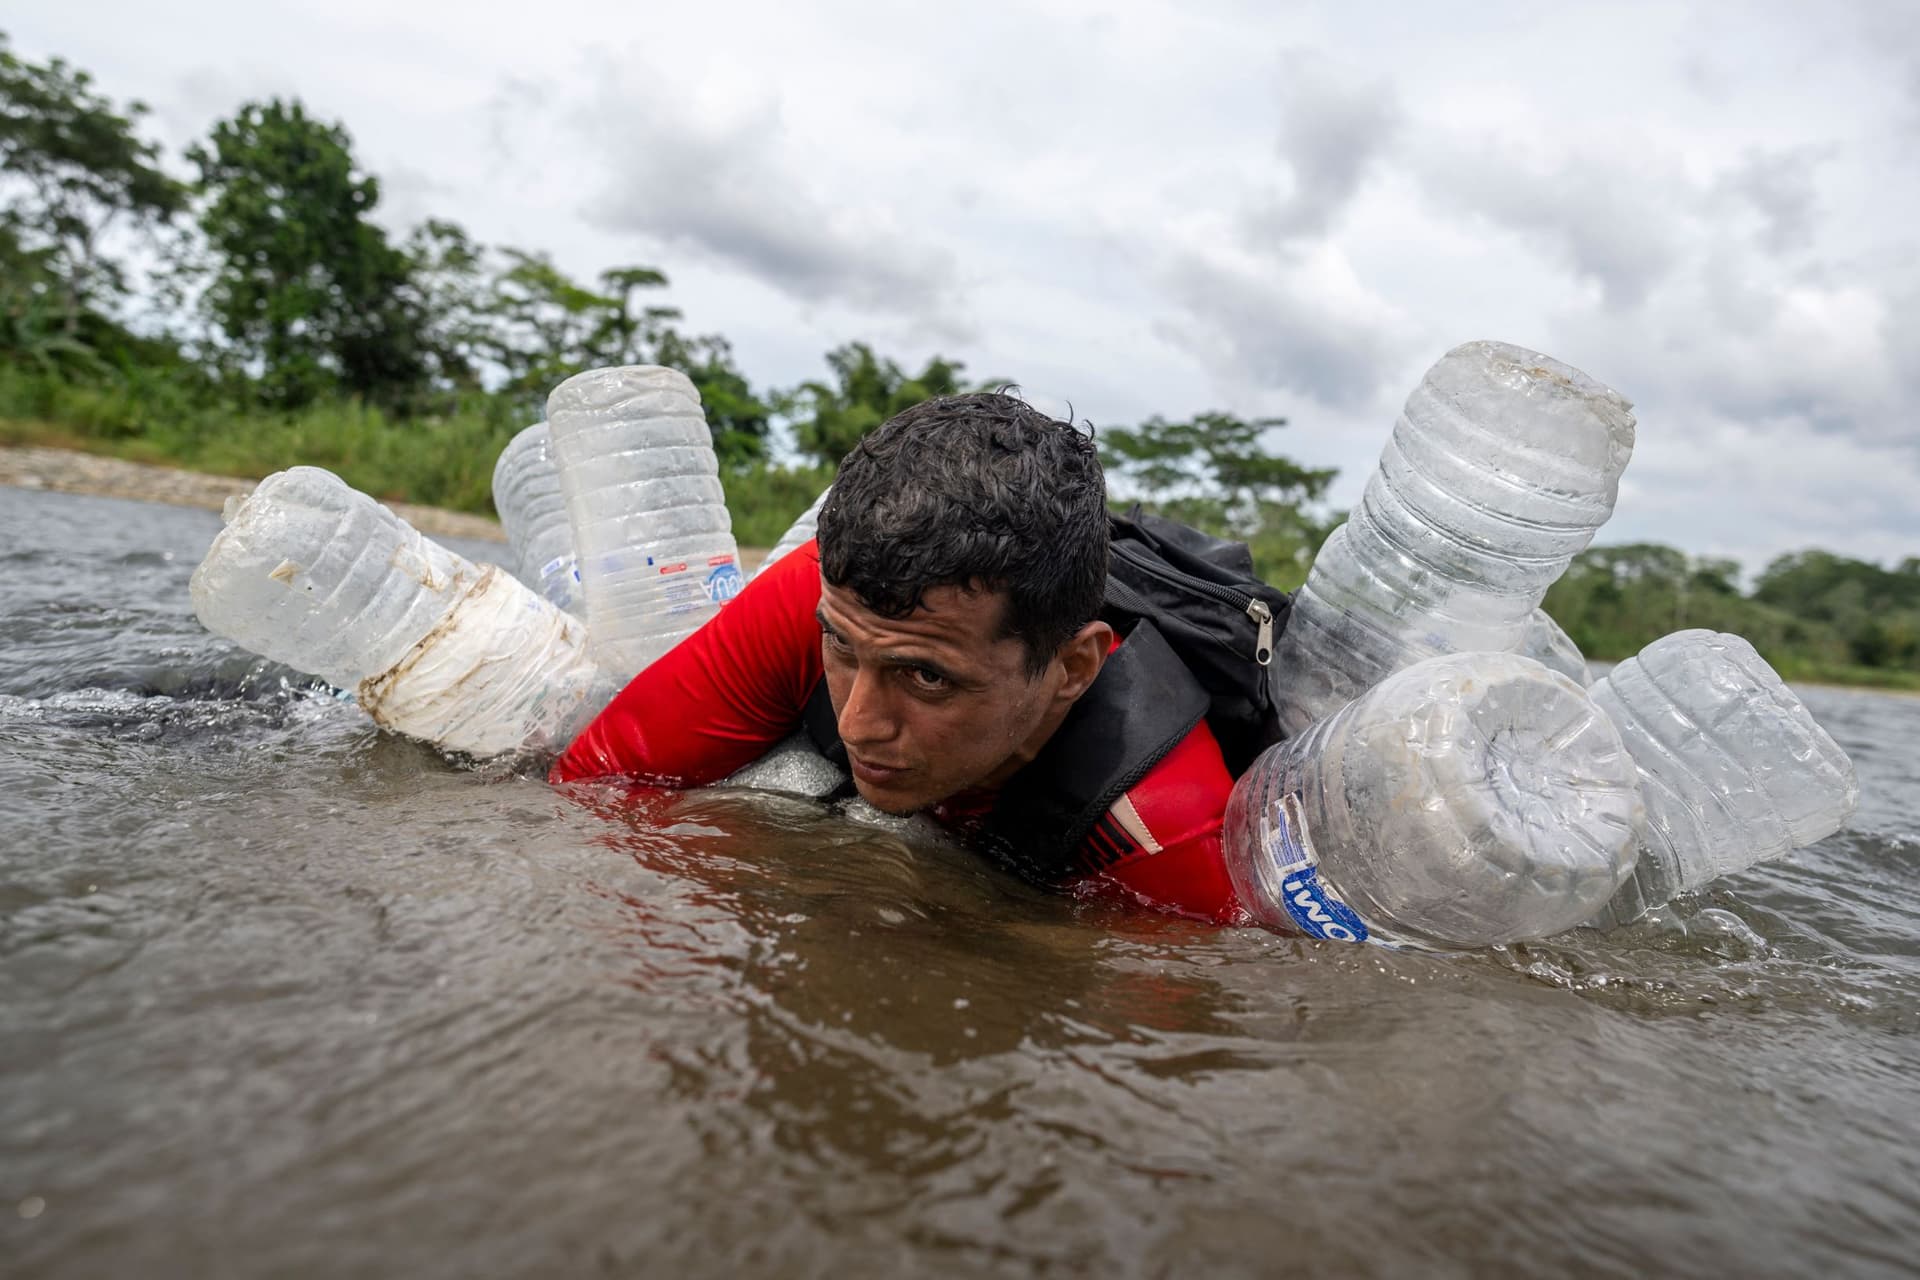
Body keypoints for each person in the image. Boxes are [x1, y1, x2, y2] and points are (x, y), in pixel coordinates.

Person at [551, 392, 1248, 923]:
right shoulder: (814, 596)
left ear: (1071, 671)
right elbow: (592, 796)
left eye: (926, 676)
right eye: (843, 649)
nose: (858, 723)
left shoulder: (1167, 834)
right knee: (788, 784)